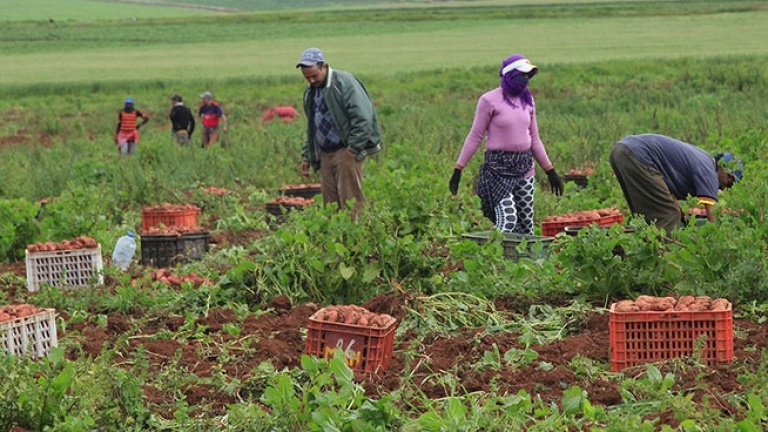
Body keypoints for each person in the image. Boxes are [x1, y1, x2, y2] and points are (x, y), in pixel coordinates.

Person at [449, 54, 563, 235]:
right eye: (521, 76)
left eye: (528, 76)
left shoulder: (528, 101)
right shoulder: (489, 101)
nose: (525, 80)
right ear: (510, 76)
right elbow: (475, 136)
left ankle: (525, 261)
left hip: (524, 167)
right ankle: (497, 259)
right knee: (508, 219)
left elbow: (534, 139)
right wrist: (458, 169)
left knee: (526, 223)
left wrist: (550, 171)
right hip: (497, 170)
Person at [297, 47, 381, 219]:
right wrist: (307, 156)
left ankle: (356, 239)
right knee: (330, 203)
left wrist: (353, 148)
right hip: (325, 153)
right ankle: (336, 241)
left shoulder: (343, 83)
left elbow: (363, 117)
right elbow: (313, 127)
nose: (312, 80)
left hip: (346, 150)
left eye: (315, 75)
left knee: (350, 200)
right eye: (307, 78)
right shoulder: (310, 93)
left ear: (324, 67)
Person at [609, 134, 742, 234]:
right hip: (637, 155)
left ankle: (640, 255)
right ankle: (665, 264)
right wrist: (719, 239)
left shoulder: (704, 159)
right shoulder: (709, 172)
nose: (726, 187)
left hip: (621, 151)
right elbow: (711, 214)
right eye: (730, 181)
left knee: (647, 217)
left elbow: (664, 194)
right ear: (723, 169)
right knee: (669, 216)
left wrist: (683, 216)